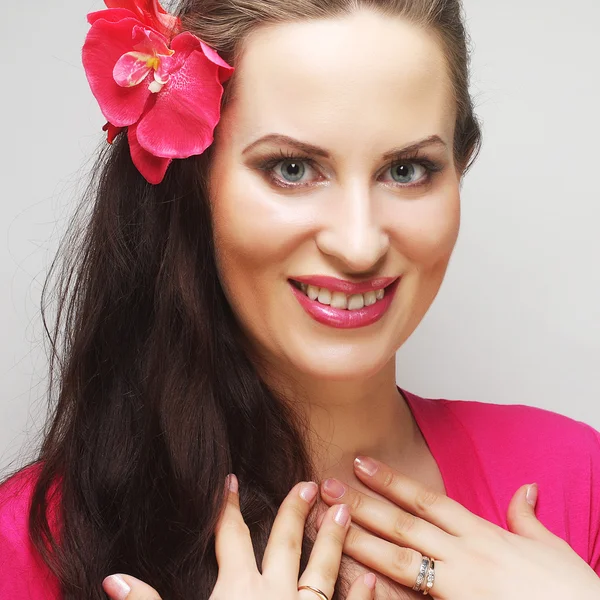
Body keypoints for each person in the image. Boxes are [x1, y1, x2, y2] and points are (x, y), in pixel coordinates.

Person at [1, 0, 599, 599]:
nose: (359, 245)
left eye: (409, 170)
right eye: (291, 168)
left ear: (460, 168)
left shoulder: (574, 481)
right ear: (196, 180)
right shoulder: (33, 543)